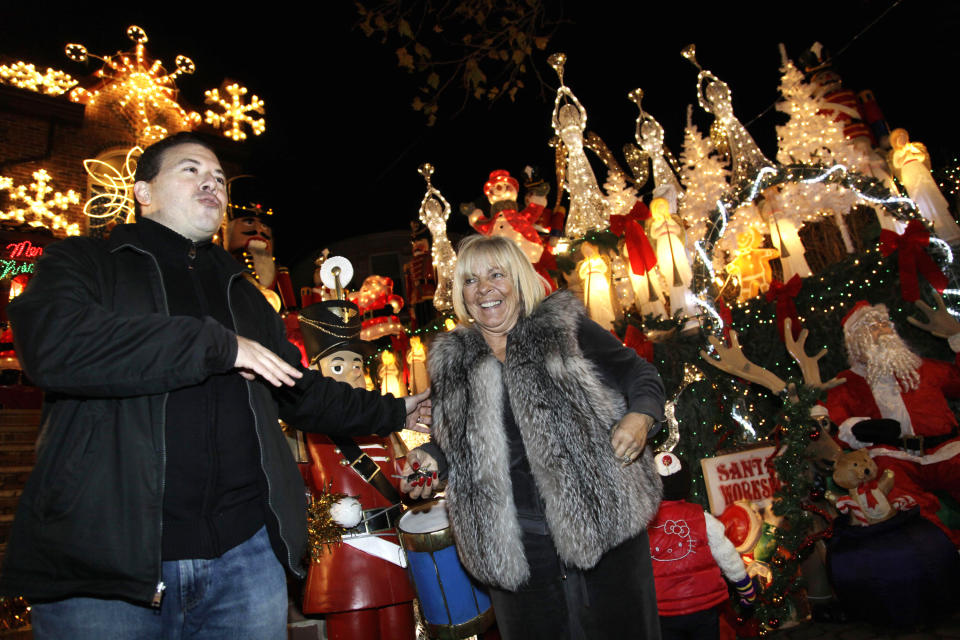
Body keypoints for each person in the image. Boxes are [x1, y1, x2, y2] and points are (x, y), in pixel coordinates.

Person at [0, 132, 431, 639]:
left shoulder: (245, 296)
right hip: (106, 563)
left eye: (219, 178)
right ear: (144, 192)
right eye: (190, 170)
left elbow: (303, 392)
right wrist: (217, 346)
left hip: (242, 562)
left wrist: (398, 411)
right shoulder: (85, 263)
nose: (212, 182)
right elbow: (55, 348)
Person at [401, 234, 665, 639]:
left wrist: (640, 418)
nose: (484, 289)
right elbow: (451, 444)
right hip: (515, 547)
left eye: (495, 275)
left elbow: (639, 374)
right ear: (462, 294)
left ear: (518, 279)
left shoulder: (562, 327)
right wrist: (427, 463)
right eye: (470, 281)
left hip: (603, 520)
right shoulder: (453, 360)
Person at [297, 299, 416, 640]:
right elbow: (295, 493)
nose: (352, 373)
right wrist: (320, 513)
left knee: (400, 630)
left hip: (392, 549)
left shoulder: (384, 425)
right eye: (338, 367)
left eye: (357, 365)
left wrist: (418, 477)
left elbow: (401, 475)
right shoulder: (301, 430)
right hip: (344, 558)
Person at [824, 297, 960, 546]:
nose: (883, 330)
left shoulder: (921, 368)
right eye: (872, 327)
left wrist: (957, 337)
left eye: (885, 324)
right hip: (895, 457)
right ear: (856, 341)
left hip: (947, 450)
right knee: (898, 499)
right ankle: (944, 552)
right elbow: (834, 422)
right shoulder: (847, 382)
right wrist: (860, 428)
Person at [648, 452, 755, 640]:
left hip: (664, 609)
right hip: (705, 606)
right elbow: (727, 556)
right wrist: (745, 588)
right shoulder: (702, 517)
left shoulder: (643, 525)